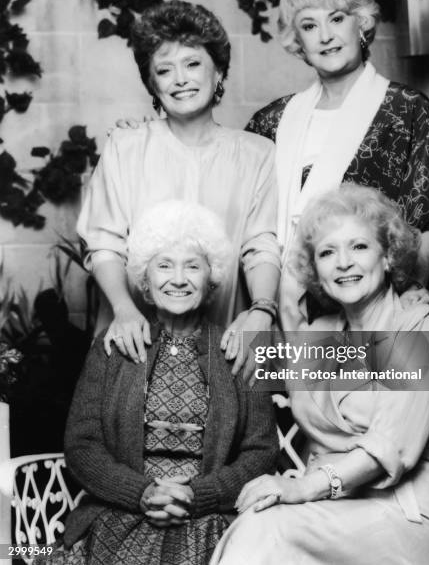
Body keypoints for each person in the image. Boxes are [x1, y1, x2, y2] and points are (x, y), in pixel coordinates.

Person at [210, 184, 429, 565]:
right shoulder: (316, 334)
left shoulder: (418, 326)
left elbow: (387, 447)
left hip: (401, 512)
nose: (343, 262)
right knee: (256, 523)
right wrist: (252, 313)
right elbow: (260, 364)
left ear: (388, 257)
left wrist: (302, 489)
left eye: (358, 247)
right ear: (316, 271)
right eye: (327, 252)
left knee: (268, 530)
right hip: (330, 505)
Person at [41, 201, 279, 565]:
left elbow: (261, 451)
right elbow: (81, 445)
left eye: (193, 266)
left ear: (211, 277)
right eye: (164, 265)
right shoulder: (113, 344)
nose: (179, 278)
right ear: (145, 280)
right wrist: (142, 492)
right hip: (120, 513)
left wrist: (200, 495)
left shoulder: (239, 347)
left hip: (210, 519)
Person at [245, 0, 429, 332]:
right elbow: (236, 193)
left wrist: (412, 291)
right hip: (279, 306)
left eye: (336, 18)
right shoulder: (272, 120)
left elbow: (423, 223)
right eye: (309, 26)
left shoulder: (408, 110)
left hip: (370, 309)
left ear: (360, 24)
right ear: (298, 43)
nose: (325, 36)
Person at [77, 0, 280, 372]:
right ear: (153, 84)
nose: (181, 79)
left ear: (218, 71)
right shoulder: (125, 147)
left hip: (224, 348)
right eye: (165, 70)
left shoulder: (257, 155)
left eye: (192, 64)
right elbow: (103, 243)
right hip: (133, 345)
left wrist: (262, 311)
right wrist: (124, 311)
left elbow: (261, 245)